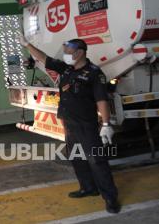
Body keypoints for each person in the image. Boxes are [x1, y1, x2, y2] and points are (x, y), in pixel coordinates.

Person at [19, 37, 121, 214]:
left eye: (68, 51)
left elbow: (101, 99)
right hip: (69, 122)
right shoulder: (66, 68)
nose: (65, 54)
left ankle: (110, 197)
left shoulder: (94, 73)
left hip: (86, 124)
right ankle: (88, 188)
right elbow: (44, 58)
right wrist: (28, 44)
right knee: (76, 157)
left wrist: (106, 123)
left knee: (97, 160)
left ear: (79, 52)